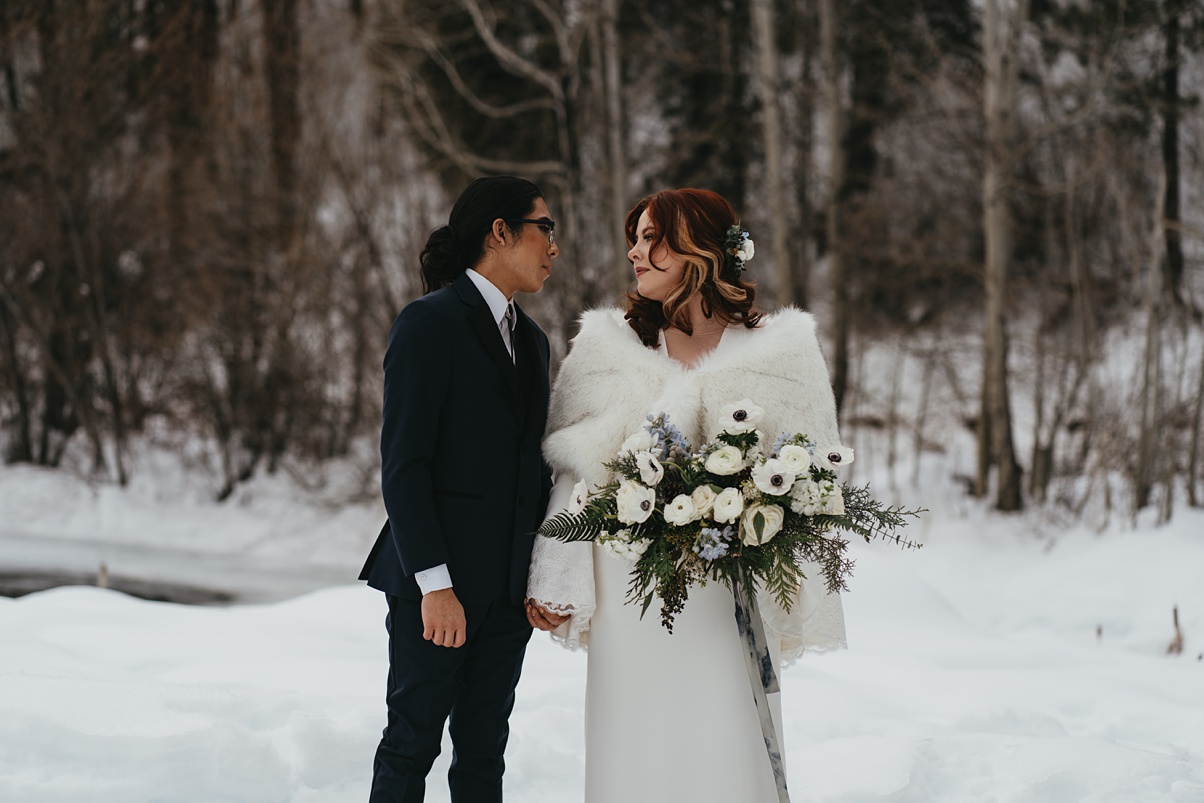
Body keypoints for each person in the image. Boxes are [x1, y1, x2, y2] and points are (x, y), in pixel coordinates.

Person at [525, 189, 849, 802]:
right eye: (635, 238)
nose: (634, 252)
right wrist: (554, 576)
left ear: (700, 249)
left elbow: (814, 475)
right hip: (628, 592)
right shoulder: (605, 350)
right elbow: (572, 473)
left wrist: (758, 510)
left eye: (652, 238)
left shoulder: (781, 353)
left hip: (729, 590)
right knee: (636, 746)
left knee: (725, 741)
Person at [360, 175, 567, 803]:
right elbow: (405, 465)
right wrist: (435, 586)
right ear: (499, 232)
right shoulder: (429, 323)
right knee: (410, 745)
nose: (554, 246)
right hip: (437, 591)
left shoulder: (533, 342)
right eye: (544, 227)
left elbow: (532, 473)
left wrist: (540, 579)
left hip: (505, 597)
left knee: (484, 755)